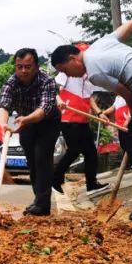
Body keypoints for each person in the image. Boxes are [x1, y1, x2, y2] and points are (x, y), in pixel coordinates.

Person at [52, 27, 132, 222]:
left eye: (65, 70)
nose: (69, 75)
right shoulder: (100, 44)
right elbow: (131, 25)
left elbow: (125, 92)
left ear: (73, 59)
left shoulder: (94, 71)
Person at [0, 48, 61, 216]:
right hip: (25, 123)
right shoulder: (11, 82)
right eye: (19, 67)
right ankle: (38, 199)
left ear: (36, 66)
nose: (23, 71)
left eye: (28, 66)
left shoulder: (47, 81)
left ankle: (42, 205)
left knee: (42, 158)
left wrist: (25, 119)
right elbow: (4, 105)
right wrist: (3, 123)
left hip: (48, 122)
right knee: (32, 162)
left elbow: (43, 109)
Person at [53, 49, 109, 198]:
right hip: (69, 119)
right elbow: (54, 89)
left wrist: (99, 112)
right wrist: (60, 101)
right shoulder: (67, 72)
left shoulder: (89, 75)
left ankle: (91, 184)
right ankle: (55, 178)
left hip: (83, 119)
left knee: (91, 152)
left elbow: (89, 98)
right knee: (74, 150)